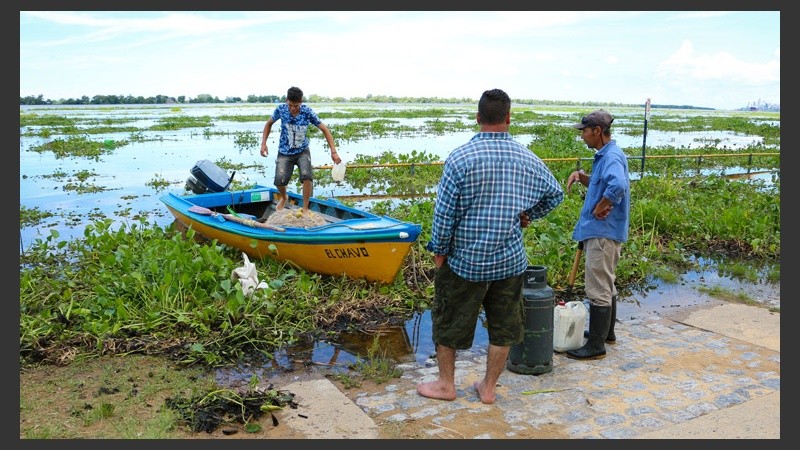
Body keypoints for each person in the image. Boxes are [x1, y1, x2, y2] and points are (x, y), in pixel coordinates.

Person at [417, 89, 564, 404]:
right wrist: (527, 213)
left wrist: (439, 251)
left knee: (448, 322)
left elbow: (444, 213)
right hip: (509, 262)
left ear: (478, 118)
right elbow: (555, 193)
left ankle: (446, 385)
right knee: (504, 326)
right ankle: (488, 388)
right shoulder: (527, 157)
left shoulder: (460, 158)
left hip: (464, 261)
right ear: (508, 118)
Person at [565, 109, 630, 359]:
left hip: (603, 233)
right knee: (606, 284)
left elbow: (618, 185)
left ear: (598, 131)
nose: (582, 136)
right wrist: (582, 178)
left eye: (585, 131)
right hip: (604, 232)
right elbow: (603, 182)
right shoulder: (607, 155)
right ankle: (606, 334)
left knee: (598, 288)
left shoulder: (611, 156)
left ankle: (595, 346)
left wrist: (603, 205)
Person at [260, 86, 341, 213]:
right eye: (290, 105)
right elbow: (268, 124)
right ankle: (284, 197)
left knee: (306, 176)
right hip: (284, 151)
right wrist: (263, 143)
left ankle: (305, 208)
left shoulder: (307, 112)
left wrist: (334, 152)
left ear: (301, 102)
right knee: (279, 181)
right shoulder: (281, 110)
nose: (293, 108)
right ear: (287, 100)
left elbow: (325, 129)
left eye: (296, 106)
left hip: (302, 151)